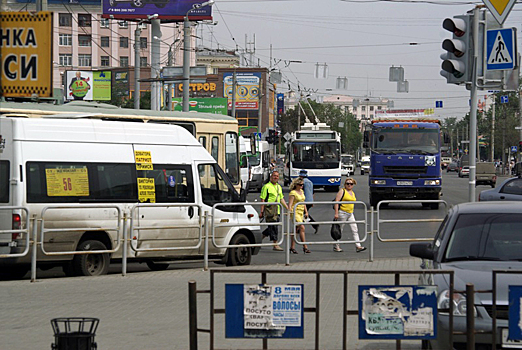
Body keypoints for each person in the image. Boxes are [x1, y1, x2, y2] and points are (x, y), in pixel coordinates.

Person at [333, 177, 367, 253]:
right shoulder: (342, 191)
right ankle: (336, 246)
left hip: (350, 213)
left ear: (353, 184)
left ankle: (358, 246)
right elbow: (337, 201)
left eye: (351, 184)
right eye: (347, 183)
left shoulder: (352, 192)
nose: (349, 185)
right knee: (339, 230)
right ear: (345, 184)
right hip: (342, 212)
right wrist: (336, 213)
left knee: (355, 229)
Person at [259, 171, 288, 251]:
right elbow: (263, 199)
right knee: (273, 227)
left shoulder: (279, 187)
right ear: (271, 177)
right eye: (274, 176)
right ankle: (275, 244)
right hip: (269, 210)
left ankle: (259, 239)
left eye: (277, 176)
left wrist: (287, 207)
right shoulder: (266, 186)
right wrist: (262, 211)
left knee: (272, 226)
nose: (276, 177)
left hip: (277, 210)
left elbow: (281, 198)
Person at [287, 178, 310, 254]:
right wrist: (289, 212)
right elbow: (290, 204)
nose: (301, 186)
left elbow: (303, 202)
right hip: (295, 212)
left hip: (301, 211)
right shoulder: (293, 193)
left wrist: (306, 212)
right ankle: (305, 246)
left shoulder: (302, 192)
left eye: (302, 185)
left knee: (296, 230)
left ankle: (292, 247)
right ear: (296, 185)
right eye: (300, 185)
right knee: (302, 227)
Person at [298, 169, 319, 233]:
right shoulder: (310, 182)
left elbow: (301, 192)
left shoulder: (302, 183)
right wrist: (312, 201)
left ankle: (314, 225)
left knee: (302, 214)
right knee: (303, 214)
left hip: (304, 200)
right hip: (310, 200)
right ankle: (299, 228)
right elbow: (312, 192)